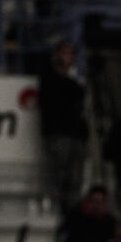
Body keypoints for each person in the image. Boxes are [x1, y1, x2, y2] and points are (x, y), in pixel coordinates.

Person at [38, 40, 88, 212]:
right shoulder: (49, 78)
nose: (67, 57)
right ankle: (56, 212)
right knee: (58, 177)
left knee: (75, 181)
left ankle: (71, 216)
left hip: (75, 136)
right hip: (58, 135)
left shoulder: (75, 82)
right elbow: (55, 104)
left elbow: (80, 109)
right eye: (63, 53)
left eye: (70, 53)